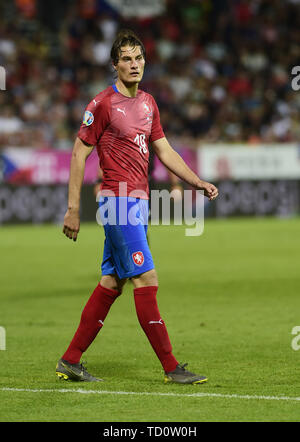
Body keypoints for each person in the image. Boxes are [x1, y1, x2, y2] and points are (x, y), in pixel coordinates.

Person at [56, 29, 218, 384]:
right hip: (117, 203)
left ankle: (70, 360)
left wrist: (197, 182)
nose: (134, 64)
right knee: (147, 277)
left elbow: (164, 150)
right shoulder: (101, 104)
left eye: (139, 58)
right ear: (115, 65)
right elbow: (78, 153)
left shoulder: (148, 103)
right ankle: (172, 367)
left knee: (112, 282)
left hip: (139, 205)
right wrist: (72, 208)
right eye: (126, 59)